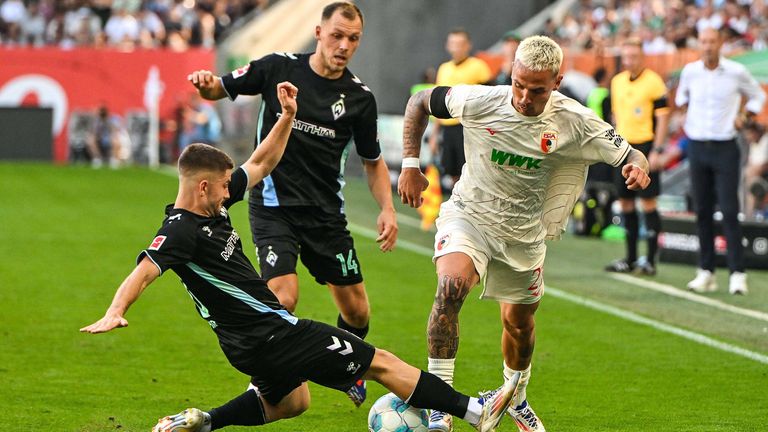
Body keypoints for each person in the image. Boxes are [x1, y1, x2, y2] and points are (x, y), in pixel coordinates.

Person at [81, 82, 515, 432]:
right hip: (274, 335)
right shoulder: (179, 231)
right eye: (224, 185)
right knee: (379, 361)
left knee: (293, 401)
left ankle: (203, 422)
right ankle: (478, 412)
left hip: (246, 346)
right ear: (202, 188)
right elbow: (145, 270)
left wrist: (287, 117)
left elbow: (262, 163)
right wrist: (115, 310)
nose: (231, 189)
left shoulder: (212, 201)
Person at [398, 35, 650, 432]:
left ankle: (515, 397)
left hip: (524, 235)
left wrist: (638, 166)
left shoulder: (575, 120)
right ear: (511, 73)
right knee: (450, 286)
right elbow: (418, 103)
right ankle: (439, 405)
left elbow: (630, 151)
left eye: (536, 89)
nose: (523, 96)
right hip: (470, 217)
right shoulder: (482, 100)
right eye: (518, 83)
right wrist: (410, 165)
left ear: (557, 83)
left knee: (519, 324)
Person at [185, 2, 398, 406]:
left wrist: (386, 208)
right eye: (337, 35)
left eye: (353, 39)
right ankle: (268, 381)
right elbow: (221, 87)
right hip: (272, 206)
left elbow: (373, 163)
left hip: (325, 216)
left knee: (356, 312)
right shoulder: (278, 68)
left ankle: (347, 369)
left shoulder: (359, 99)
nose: (344, 45)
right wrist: (205, 83)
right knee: (282, 298)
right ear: (318, 32)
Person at [676, 27, 766, 295]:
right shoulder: (690, 71)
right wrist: (687, 115)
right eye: (703, 41)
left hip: (725, 146)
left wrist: (745, 117)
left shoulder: (736, 71)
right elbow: (681, 99)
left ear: (720, 44)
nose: (707, 46)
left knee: (729, 210)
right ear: (699, 44)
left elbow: (759, 96)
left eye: (712, 41)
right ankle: (706, 271)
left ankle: (737, 273)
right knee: (702, 210)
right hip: (697, 144)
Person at [604, 37, 670, 276]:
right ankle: (630, 258)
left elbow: (663, 118)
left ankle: (650, 260)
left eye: (634, 56)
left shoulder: (654, 82)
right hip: (622, 147)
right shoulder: (617, 81)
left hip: (645, 147)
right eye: (626, 57)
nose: (629, 61)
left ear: (642, 57)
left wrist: (658, 150)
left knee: (649, 202)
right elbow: (614, 114)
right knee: (625, 202)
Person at [429, 28, 492, 188]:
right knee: (452, 171)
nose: (456, 47)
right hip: (448, 128)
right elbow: (438, 104)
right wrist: (435, 134)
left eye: (460, 44)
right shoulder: (444, 68)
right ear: (447, 46)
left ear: (468, 45)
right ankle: (458, 206)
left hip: (469, 127)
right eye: (453, 43)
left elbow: (490, 99)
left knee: (470, 171)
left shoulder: (478, 67)